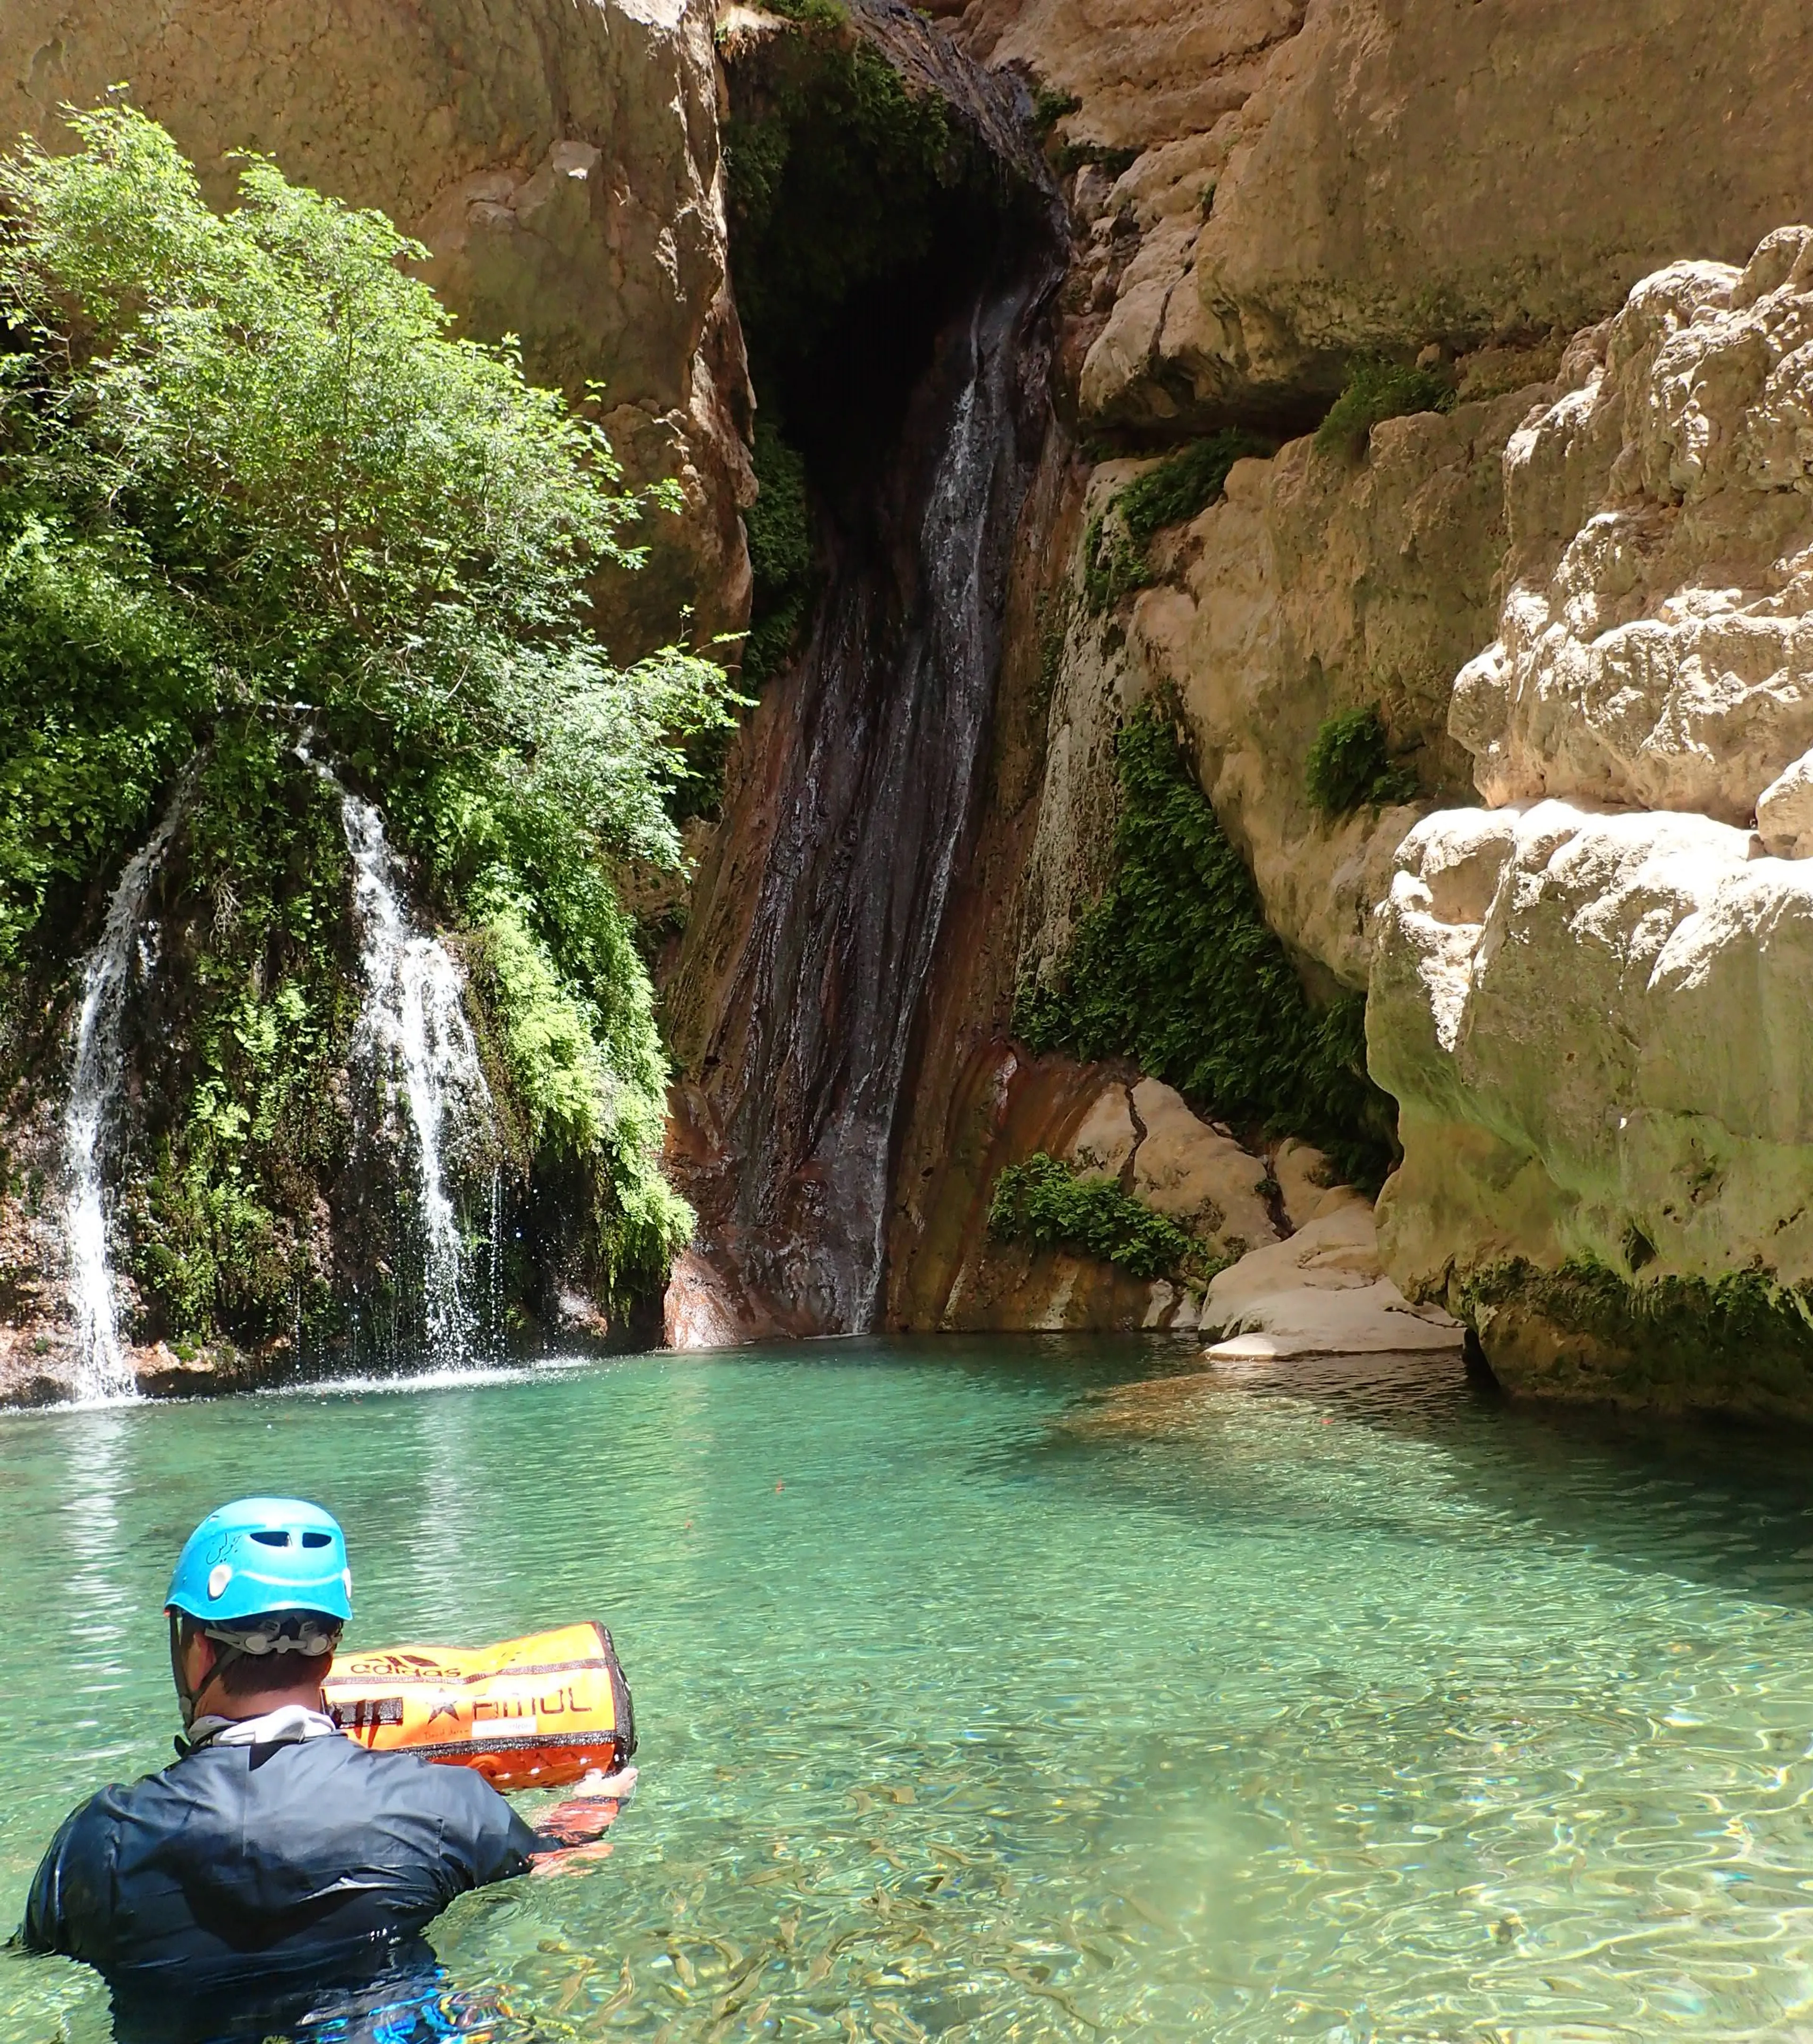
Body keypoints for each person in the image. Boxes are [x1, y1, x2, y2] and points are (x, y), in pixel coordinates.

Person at [18, 1496, 627, 2042]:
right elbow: (556, 1862)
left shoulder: (99, 1842)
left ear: (199, 1649)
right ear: (332, 1647)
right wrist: (592, 1803)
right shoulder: (445, 1804)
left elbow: (32, 1960)